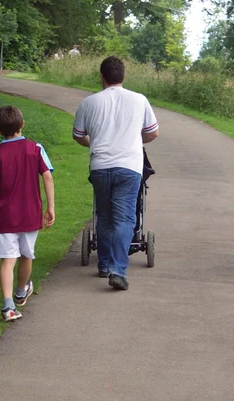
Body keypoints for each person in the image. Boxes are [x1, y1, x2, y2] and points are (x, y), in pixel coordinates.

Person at [72, 56, 159, 290]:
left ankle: (103, 264)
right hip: (129, 167)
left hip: (100, 166)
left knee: (103, 215)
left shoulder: (89, 103)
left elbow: (78, 135)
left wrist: (95, 142)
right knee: (125, 219)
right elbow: (152, 133)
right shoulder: (139, 100)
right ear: (124, 76)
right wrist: (131, 139)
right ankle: (118, 270)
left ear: (102, 78)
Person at [0, 106, 55, 321]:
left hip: (6, 216)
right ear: (22, 124)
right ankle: (21, 291)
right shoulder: (35, 148)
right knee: (26, 255)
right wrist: (50, 206)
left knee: (7, 260)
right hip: (30, 213)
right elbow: (47, 176)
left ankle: (7, 306)